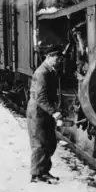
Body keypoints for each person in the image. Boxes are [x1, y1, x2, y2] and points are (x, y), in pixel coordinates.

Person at [27, 46, 64, 183]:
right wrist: (53, 112)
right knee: (40, 143)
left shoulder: (50, 70)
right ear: (48, 57)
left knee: (49, 142)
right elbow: (40, 97)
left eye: (60, 58)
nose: (59, 60)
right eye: (56, 57)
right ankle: (37, 175)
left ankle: (44, 171)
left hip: (43, 112)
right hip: (38, 112)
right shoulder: (42, 72)